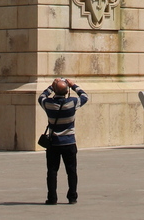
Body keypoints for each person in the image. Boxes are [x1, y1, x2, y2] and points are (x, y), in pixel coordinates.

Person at [38, 77, 89, 205]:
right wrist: (73, 85)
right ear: (67, 91)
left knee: (52, 171)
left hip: (54, 142)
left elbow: (41, 97)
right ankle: (72, 197)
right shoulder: (72, 102)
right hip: (69, 142)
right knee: (71, 171)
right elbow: (85, 96)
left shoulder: (48, 104)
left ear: (55, 90)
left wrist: (51, 86)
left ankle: (52, 198)